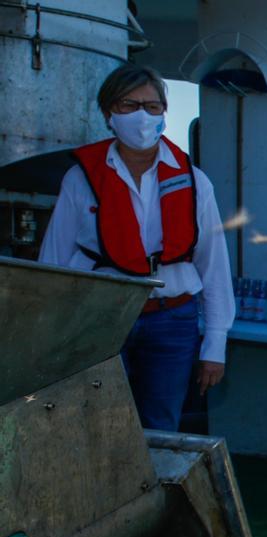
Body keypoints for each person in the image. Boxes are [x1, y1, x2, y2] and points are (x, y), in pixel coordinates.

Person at [39, 64, 234, 431]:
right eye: (129, 105)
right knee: (98, 425)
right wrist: (53, 338)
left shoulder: (194, 181)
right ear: (108, 113)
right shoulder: (81, 178)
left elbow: (214, 264)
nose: (142, 116)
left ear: (164, 113)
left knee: (161, 425)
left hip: (172, 320)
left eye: (152, 106)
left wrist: (215, 344)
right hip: (99, 319)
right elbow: (54, 261)